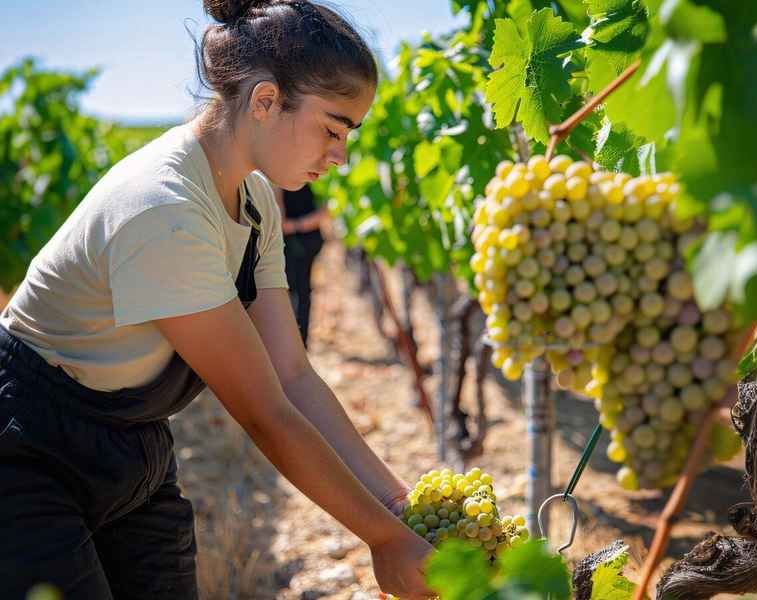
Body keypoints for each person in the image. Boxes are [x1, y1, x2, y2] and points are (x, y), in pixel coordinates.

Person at [0, 1, 434, 599]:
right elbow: (265, 414)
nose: (340, 156)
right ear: (263, 101)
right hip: (27, 453)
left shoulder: (254, 199)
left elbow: (291, 375)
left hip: (131, 441)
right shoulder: (166, 209)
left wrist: (396, 506)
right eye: (332, 129)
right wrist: (382, 538)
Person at [274, 183, 326, 347]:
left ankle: (296, 342)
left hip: (298, 243)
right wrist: (302, 224)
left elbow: (281, 221)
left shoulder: (283, 178)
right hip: (301, 241)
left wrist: (295, 225)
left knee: (296, 291)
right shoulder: (286, 180)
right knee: (299, 291)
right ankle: (298, 342)